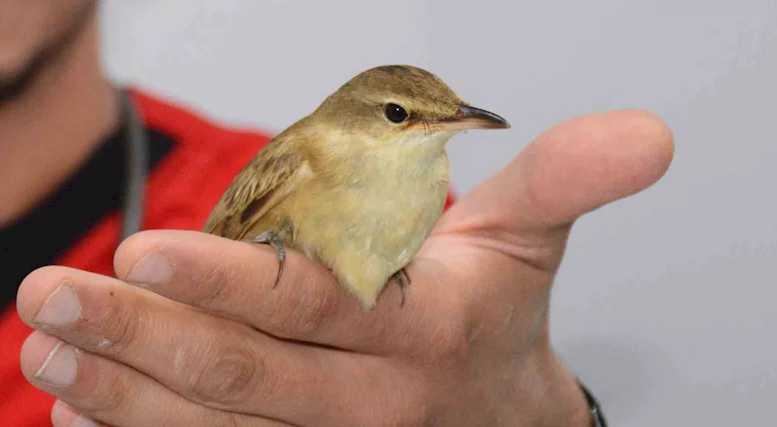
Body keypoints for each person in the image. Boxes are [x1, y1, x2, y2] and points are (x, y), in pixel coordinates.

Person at [1, 2, 674, 426]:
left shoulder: (443, 240)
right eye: (402, 117)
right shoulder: (293, 163)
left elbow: (455, 362)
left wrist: (544, 417)